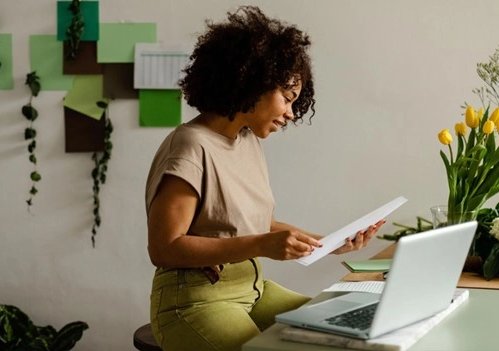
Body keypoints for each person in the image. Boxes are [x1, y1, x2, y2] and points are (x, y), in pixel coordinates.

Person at [145, 6, 385, 351]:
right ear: (251, 81)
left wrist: (330, 243)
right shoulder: (190, 145)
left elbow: (253, 223)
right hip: (194, 301)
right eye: (287, 99)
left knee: (340, 330)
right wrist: (261, 246)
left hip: (253, 290)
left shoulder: (246, 141)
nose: (290, 113)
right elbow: (164, 247)